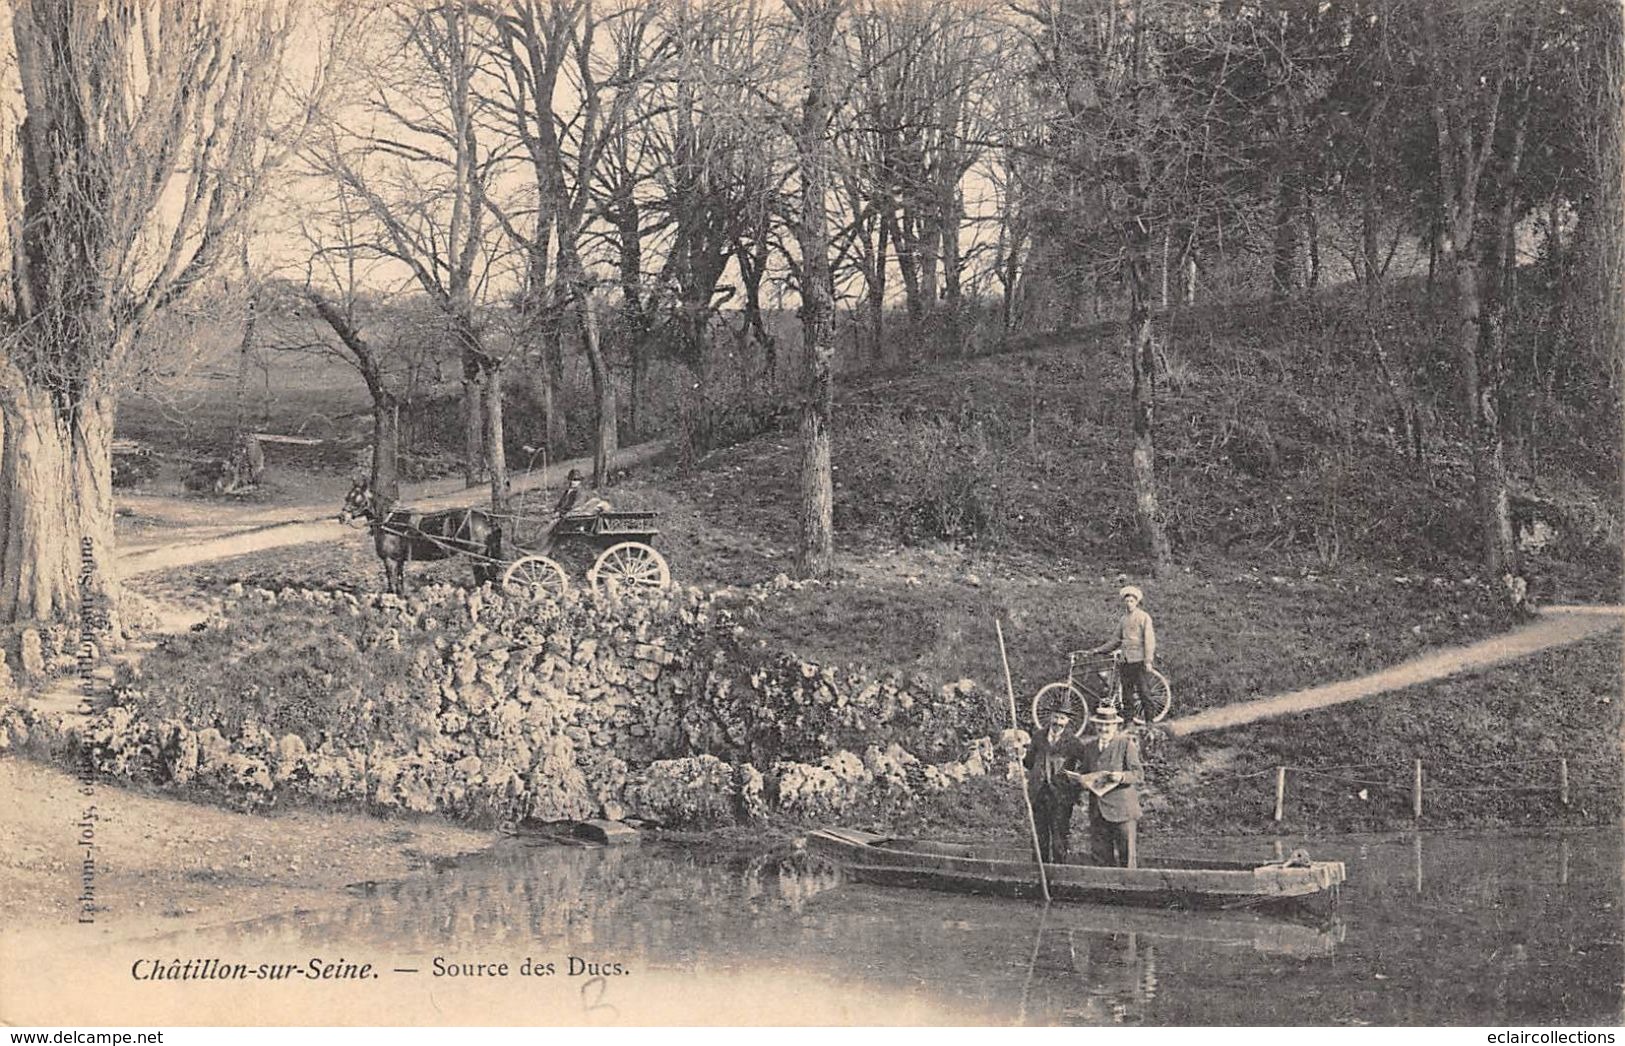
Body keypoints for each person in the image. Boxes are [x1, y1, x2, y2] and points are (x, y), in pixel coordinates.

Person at [1070, 706, 1144, 868]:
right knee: (1101, 857)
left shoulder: (1125, 745)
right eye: (1100, 725)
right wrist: (1081, 781)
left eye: (1108, 725)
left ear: (1115, 726)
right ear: (1095, 726)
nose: (1103, 729)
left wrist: (1122, 776)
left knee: (1127, 857)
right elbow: (1085, 773)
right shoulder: (1089, 748)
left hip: (1122, 810)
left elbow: (1138, 774)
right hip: (1098, 811)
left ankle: (1128, 890)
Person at [1023, 708, 1087, 864]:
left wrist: (1074, 784)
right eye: (1056, 717)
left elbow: (1085, 766)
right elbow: (1029, 762)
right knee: (1039, 839)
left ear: (1068, 721)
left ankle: (1059, 877)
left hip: (1061, 798)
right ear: (1050, 717)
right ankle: (1039, 874)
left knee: (1059, 839)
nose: (1058, 722)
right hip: (1038, 795)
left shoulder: (1073, 742)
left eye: (1062, 718)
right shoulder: (1038, 736)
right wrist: (1021, 755)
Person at [1089, 585, 1157, 724]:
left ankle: (1150, 722)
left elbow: (1149, 639)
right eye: (1127, 601)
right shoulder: (1123, 619)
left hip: (1139, 660)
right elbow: (1115, 640)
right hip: (1125, 661)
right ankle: (1128, 722)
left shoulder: (1144, 617)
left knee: (1144, 692)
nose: (1129, 603)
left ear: (1137, 602)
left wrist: (1148, 660)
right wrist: (1099, 650)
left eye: (1132, 601)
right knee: (1127, 694)